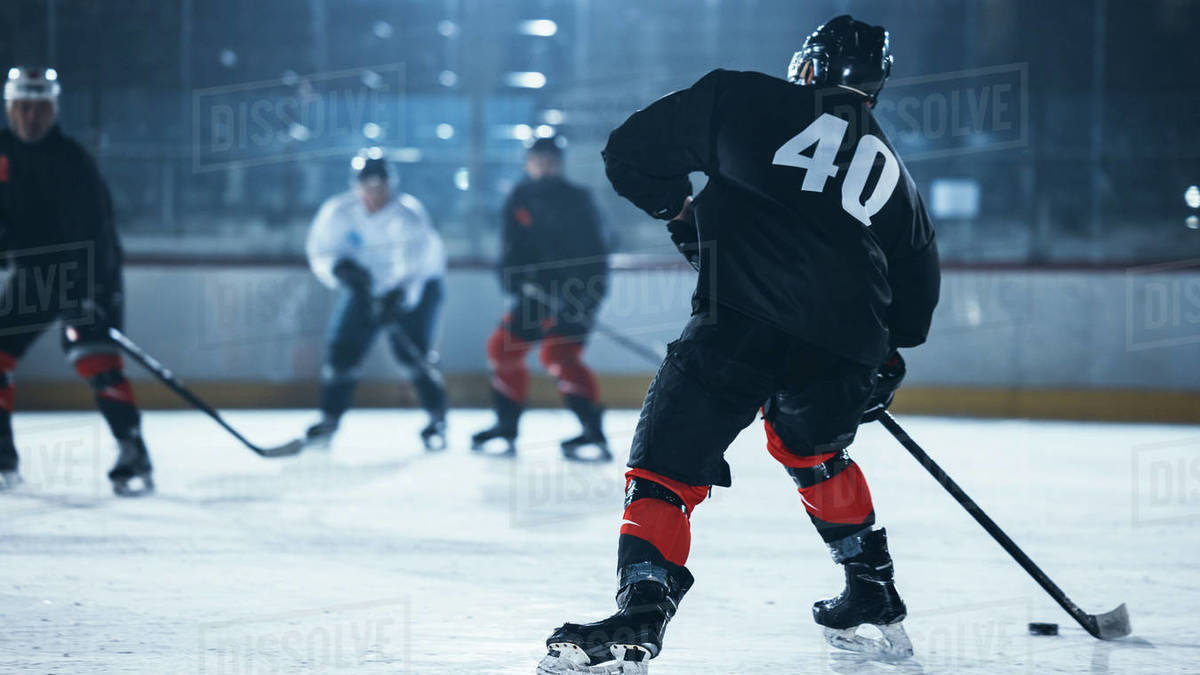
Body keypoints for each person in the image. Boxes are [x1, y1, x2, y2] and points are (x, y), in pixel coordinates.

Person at [538, 15, 941, 672]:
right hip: (846, 341)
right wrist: (885, 358)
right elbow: (917, 289)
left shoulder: (741, 96)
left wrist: (681, 211)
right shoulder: (893, 167)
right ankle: (872, 586)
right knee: (810, 447)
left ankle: (642, 611)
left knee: (665, 467)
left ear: (809, 66)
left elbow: (628, 152)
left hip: (744, 317)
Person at [0, 66, 154, 496]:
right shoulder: (1, 153)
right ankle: (1, 453)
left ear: (54, 110)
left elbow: (95, 231)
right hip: (34, 274)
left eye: (41, 107)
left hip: (83, 271)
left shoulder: (72, 161)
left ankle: (132, 449)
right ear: (9, 108)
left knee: (93, 356)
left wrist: (92, 291)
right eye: (24, 106)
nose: (32, 117)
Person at [471, 137, 611, 461]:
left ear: (559, 164)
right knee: (502, 347)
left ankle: (592, 429)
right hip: (535, 293)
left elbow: (594, 254)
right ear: (527, 163)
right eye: (537, 160)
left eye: (550, 161)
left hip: (576, 295)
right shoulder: (519, 197)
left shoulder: (578, 200)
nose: (543, 166)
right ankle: (506, 426)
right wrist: (517, 283)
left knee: (558, 354)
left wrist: (576, 295)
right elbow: (509, 251)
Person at [305, 149, 448, 450]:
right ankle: (330, 417)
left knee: (411, 353)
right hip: (365, 289)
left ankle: (437, 415)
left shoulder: (409, 216)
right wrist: (339, 270)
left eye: (380, 185)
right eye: (367, 185)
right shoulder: (339, 212)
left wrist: (398, 298)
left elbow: (417, 268)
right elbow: (322, 250)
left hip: (417, 288)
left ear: (390, 184)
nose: (374, 193)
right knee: (343, 349)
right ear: (356, 185)